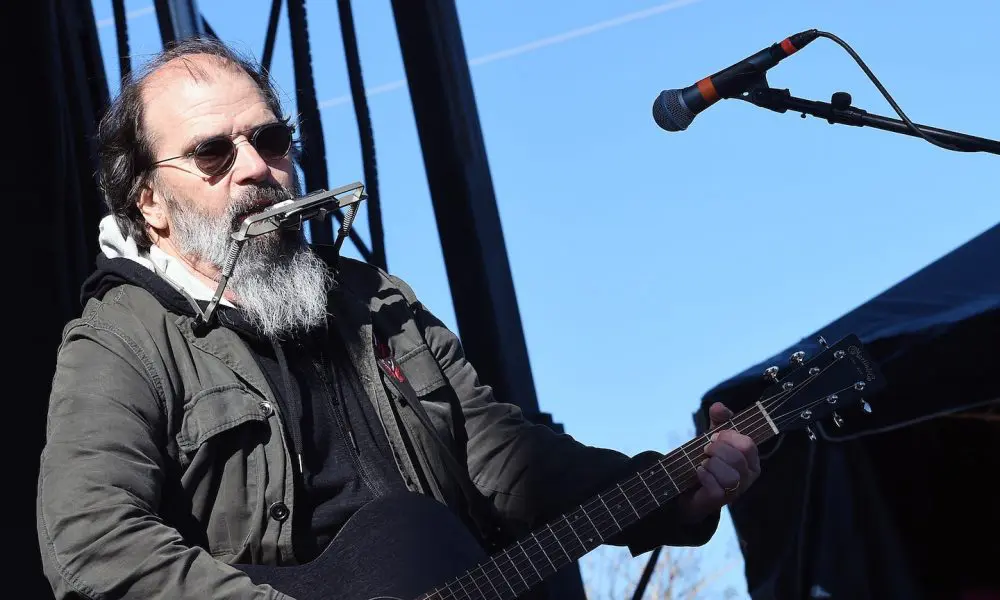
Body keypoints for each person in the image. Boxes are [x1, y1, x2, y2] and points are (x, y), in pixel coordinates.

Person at [35, 37, 760, 600]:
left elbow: (502, 458)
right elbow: (93, 542)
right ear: (150, 204)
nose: (256, 167)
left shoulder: (374, 300)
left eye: (271, 140)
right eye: (213, 153)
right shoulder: (123, 337)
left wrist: (672, 491)